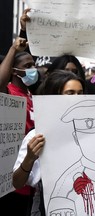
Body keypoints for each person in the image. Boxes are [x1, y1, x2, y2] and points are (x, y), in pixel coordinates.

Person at [12, 70, 95, 215]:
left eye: (80, 92)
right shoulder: (37, 136)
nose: (77, 97)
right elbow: (17, 183)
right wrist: (29, 158)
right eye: (70, 93)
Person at [19, 8, 95, 95]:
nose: (71, 75)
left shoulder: (87, 89)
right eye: (66, 70)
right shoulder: (43, 88)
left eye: (74, 71)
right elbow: (23, 60)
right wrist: (25, 31)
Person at [0, 37, 40, 216]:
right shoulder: (8, 92)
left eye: (33, 65)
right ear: (14, 71)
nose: (33, 70)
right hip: (12, 177)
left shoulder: (31, 94)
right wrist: (13, 49)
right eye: (27, 66)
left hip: (30, 171)